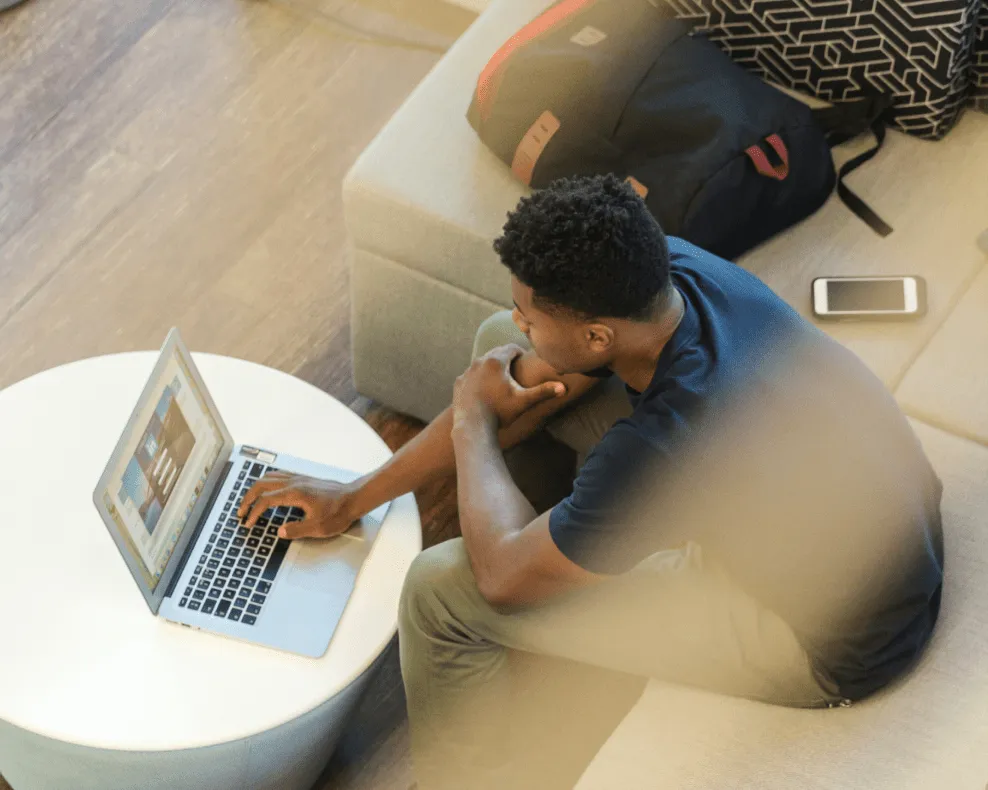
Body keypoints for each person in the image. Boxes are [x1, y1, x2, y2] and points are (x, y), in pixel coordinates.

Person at [238, 175, 944, 789]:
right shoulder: (670, 272)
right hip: (876, 521)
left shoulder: (672, 439)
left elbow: (500, 579)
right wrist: (355, 496)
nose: (521, 318)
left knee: (437, 591)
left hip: (824, 640)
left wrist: (472, 427)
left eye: (532, 314)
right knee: (499, 351)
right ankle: (561, 545)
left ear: (600, 338)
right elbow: (520, 374)